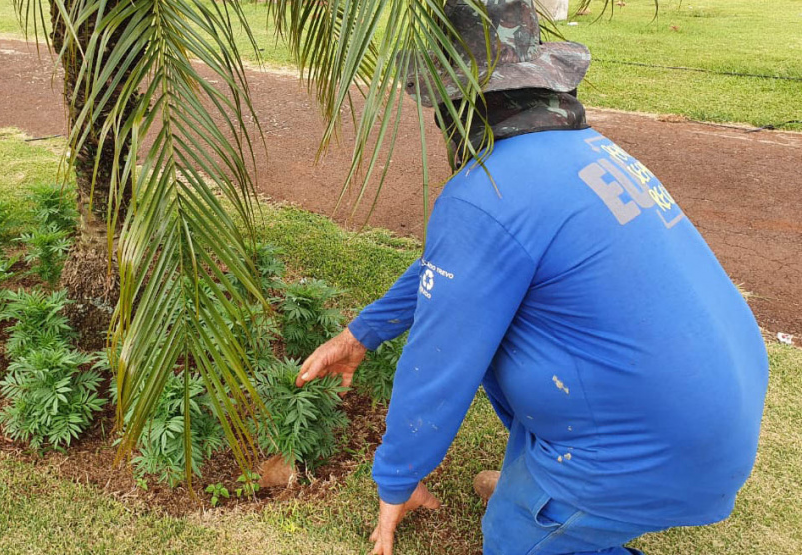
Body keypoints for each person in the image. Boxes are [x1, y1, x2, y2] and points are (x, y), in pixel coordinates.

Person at [296, 1, 769, 553]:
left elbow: (439, 363)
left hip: (655, 448)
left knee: (512, 540)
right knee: (546, 325)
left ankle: (554, 510)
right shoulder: (588, 151)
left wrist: (395, 479)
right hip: (714, 410)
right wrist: (362, 334)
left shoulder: (487, 191)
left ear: (462, 107)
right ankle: (541, 487)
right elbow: (464, 267)